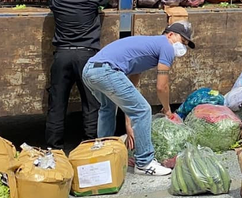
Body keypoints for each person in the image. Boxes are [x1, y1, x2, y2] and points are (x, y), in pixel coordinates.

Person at [81, 22, 195, 176]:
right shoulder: (166, 46)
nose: (183, 47)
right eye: (183, 41)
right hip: (106, 71)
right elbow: (162, 86)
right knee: (143, 110)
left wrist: (129, 124)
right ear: (170, 35)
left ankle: (104, 153)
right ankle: (144, 162)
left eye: (187, 44)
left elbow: (129, 93)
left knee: (107, 108)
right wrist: (167, 110)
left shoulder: (147, 48)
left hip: (90, 70)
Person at [45, 0, 112, 151]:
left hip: (62, 55)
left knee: (57, 104)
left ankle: (54, 149)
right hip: (87, 55)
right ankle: (89, 146)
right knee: (91, 103)